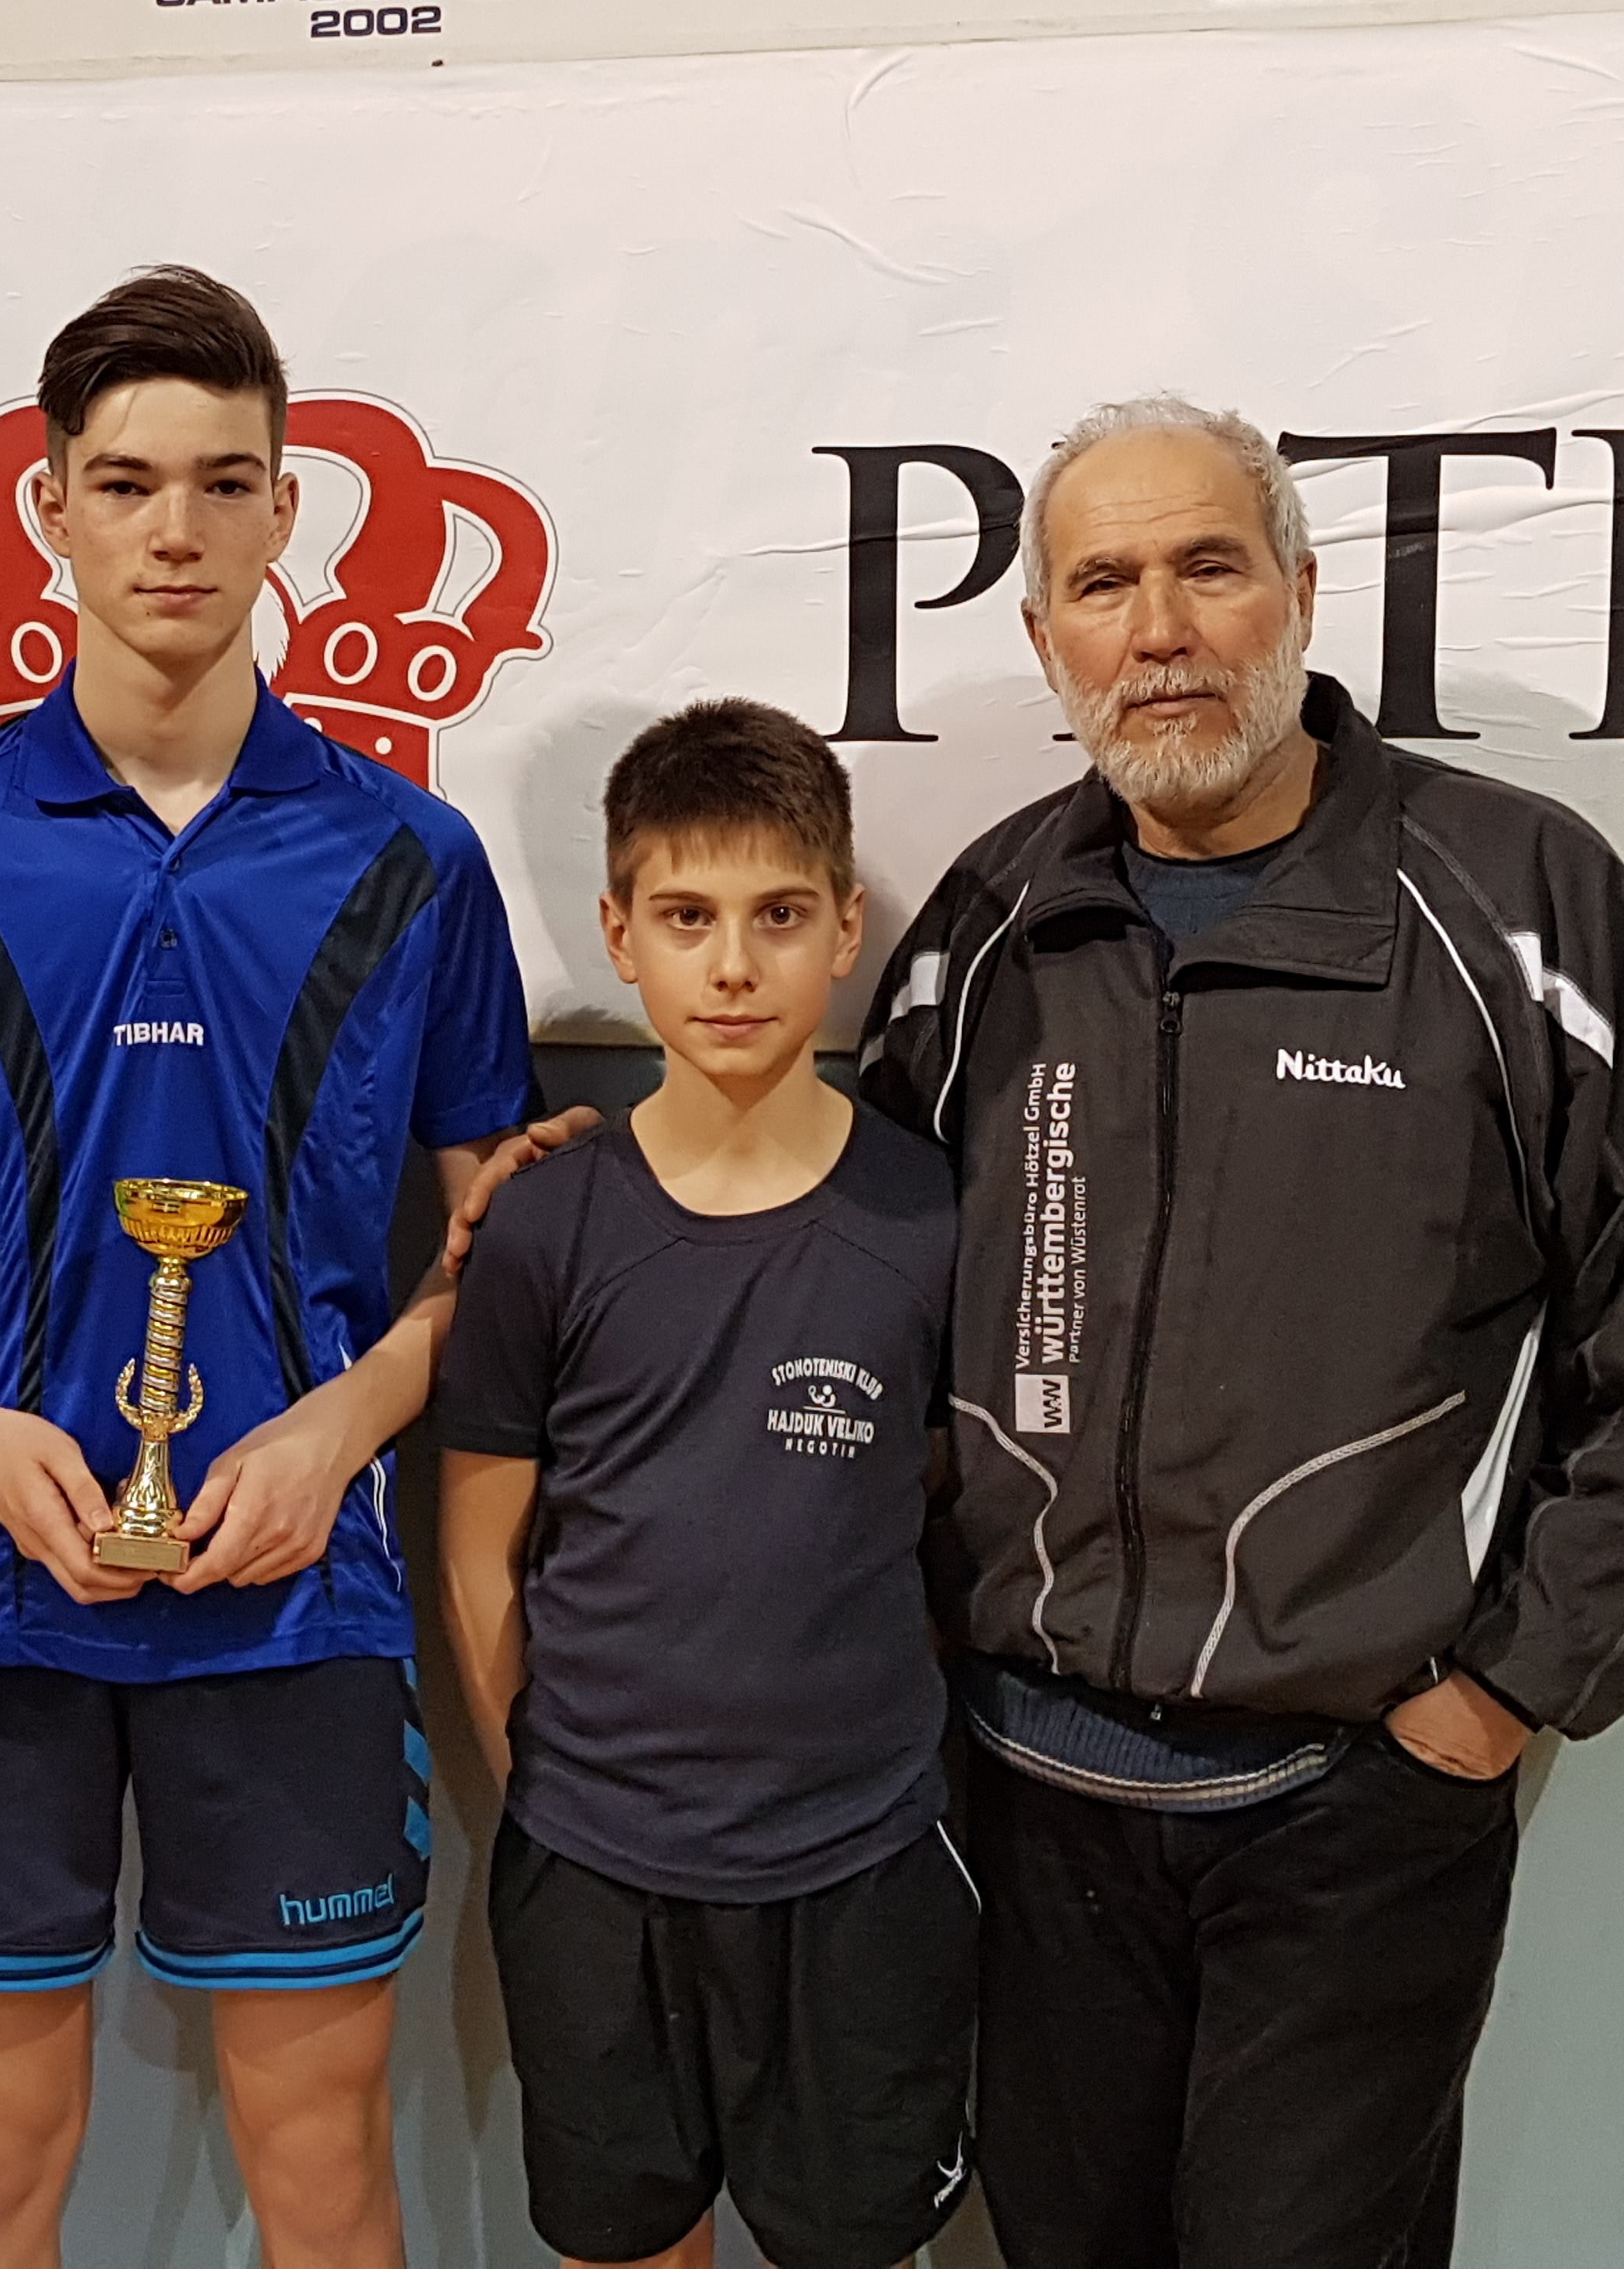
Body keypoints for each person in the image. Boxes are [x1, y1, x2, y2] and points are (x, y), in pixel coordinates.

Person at [854, 395, 1624, 2266]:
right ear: (1046, 639)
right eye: (1104, 585)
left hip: (1355, 1815)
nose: (1160, 629)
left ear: (1299, 591)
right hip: (1030, 1797)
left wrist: (1507, 1691)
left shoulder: (1525, 908)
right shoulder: (988, 927)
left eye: (1208, 567)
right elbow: (848, 1273)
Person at [0, 266, 532, 2269]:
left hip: (302, 1605)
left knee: (324, 2180)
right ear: (51, 510)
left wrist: (346, 1425)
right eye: (125, 483)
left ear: (286, 513)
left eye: (223, 483)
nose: (175, 530)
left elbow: (505, 1245)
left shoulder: (410, 857)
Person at [435, 700, 974, 2269]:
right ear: (620, 934)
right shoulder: (547, 1226)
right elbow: (480, 1552)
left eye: (778, 917)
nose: (733, 966)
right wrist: (548, 1792)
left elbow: (952, 1512)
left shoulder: (931, 1215)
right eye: (687, 918)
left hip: (861, 1860)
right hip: (597, 1869)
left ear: (846, 928)